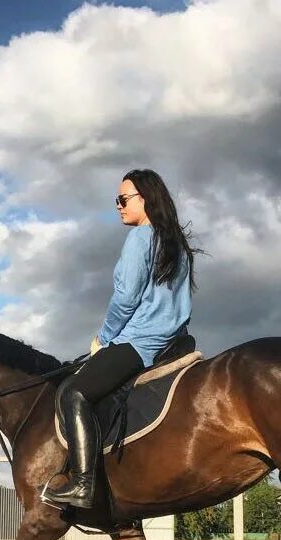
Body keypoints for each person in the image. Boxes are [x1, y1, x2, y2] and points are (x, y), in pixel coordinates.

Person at [42, 168, 198, 509]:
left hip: (141, 342)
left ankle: (83, 485)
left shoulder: (141, 238)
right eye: (117, 200)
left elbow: (126, 297)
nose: (118, 206)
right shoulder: (177, 246)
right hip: (175, 339)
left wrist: (104, 337)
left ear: (146, 199)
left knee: (74, 392)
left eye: (123, 199)